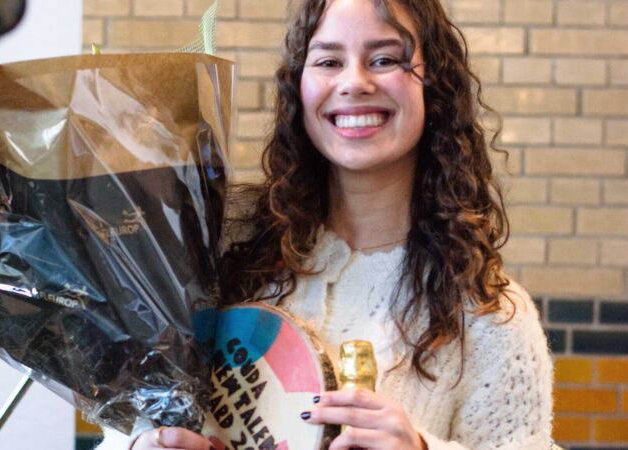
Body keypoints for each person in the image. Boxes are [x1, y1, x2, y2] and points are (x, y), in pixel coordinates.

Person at [97, 0, 553, 448]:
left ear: (433, 84)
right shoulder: (221, 251)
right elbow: (124, 424)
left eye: (384, 59)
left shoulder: (490, 317)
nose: (354, 82)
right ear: (299, 87)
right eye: (329, 61)